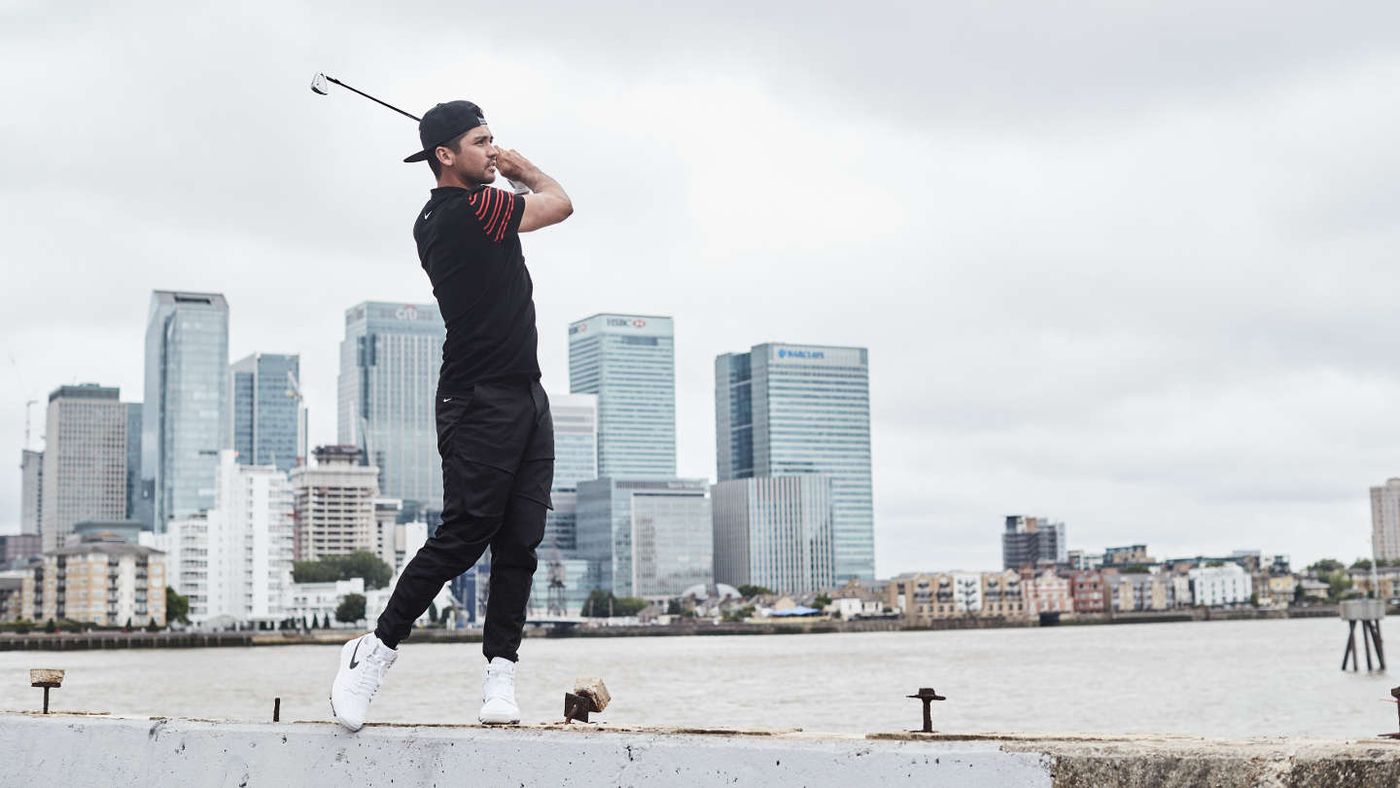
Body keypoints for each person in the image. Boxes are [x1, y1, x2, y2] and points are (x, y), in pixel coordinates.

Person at [331, 99, 573, 731]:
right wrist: (521, 167)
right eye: (481, 141)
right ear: (445, 155)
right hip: (477, 399)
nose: (493, 149)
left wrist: (500, 168)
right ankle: (372, 652)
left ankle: (500, 675)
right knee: (466, 532)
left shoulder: (467, 212)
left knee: (520, 541)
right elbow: (559, 203)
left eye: (495, 140)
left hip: (526, 394)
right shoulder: (466, 212)